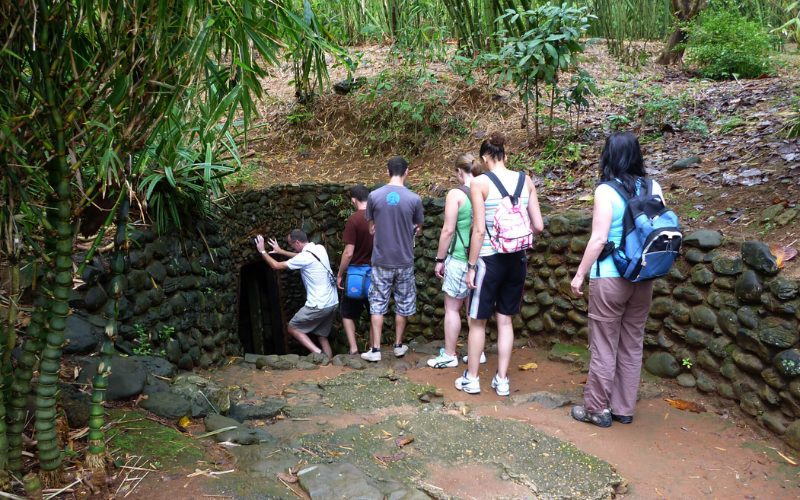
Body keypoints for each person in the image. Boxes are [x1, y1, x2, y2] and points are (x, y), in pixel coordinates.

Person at [569, 131, 662, 427]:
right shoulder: (654, 187)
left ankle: (597, 408)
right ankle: (623, 408)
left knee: (604, 344)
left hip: (610, 276)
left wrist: (580, 274)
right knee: (632, 343)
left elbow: (598, 240)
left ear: (609, 156)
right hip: (643, 276)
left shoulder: (605, 191)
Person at [456, 132, 544, 396]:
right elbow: (538, 225)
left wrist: (471, 266)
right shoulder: (525, 180)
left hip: (488, 260)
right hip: (517, 259)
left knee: (477, 321)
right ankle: (502, 380)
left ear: (484, 157)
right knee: (505, 321)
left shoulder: (479, 183)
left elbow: (479, 230)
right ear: (505, 155)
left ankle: (472, 378)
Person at [361, 156, 424, 362]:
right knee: (403, 303)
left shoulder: (374, 196)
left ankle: (376, 349)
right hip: (404, 259)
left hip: (381, 259)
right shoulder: (414, 199)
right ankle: (398, 345)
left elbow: (371, 228)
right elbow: (418, 229)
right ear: (407, 172)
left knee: (378, 303)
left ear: (387, 171)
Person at [427, 153, 485, 369]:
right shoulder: (485, 189)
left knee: (452, 307)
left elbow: (448, 229)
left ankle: (450, 354)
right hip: (481, 258)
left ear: (460, 171)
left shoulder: (456, 194)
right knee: (474, 308)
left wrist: (440, 259)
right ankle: (476, 353)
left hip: (460, 257)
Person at [255, 230, 338, 358]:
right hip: (332, 302)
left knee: (293, 328)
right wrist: (281, 251)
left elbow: (276, 265)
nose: (292, 247)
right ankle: (331, 364)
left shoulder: (304, 257)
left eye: (292, 244)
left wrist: (262, 251)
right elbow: (300, 257)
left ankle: (318, 354)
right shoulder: (319, 248)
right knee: (322, 336)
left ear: (297, 242)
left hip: (318, 305)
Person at [336, 184, 374, 355]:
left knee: (347, 313)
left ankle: (353, 349)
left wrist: (340, 274)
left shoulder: (353, 220)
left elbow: (349, 252)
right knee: (375, 311)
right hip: (376, 273)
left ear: (353, 199)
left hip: (356, 274)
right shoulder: (378, 217)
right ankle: (374, 347)